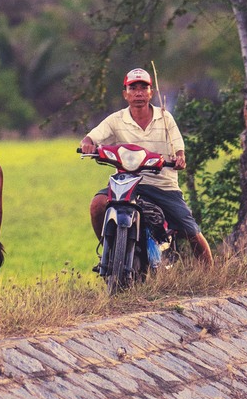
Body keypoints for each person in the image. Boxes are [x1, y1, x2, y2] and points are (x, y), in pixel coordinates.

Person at [81, 66, 214, 265]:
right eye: (133, 88)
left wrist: (179, 157)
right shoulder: (116, 119)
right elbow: (92, 136)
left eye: (144, 88)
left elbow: (178, 147)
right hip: (127, 181)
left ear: (151, 92)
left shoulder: (165, 117)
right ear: (125, 93)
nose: (138, 93)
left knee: (190, 230)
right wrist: (87, 144)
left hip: (162, 184)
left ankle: (210, 271)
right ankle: (108, 252)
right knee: (97, 205)